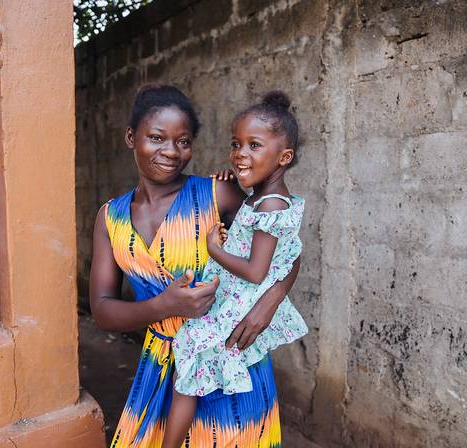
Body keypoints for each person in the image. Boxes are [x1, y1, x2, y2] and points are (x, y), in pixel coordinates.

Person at [89, 84, 299, 448]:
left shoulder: (217, 195)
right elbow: (103, 313)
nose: (170, 151)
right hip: (159, 369)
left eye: (183, 142)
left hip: (231, 365)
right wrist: (165, 306)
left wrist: (271, 300)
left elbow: (287, 250)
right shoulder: (111, 218)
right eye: (157, 138)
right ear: (130, 137)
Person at [162, 91, 307, 448]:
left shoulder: (272, 203)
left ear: (283, 157)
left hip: (240, 302)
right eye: (236, 144)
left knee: (188, 363)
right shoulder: (261, 196)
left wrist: (214, 248)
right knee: (195, 370)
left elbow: (258, 271)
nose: (241, 153)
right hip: (235, 297)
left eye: (254, 145)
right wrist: (237, 178)